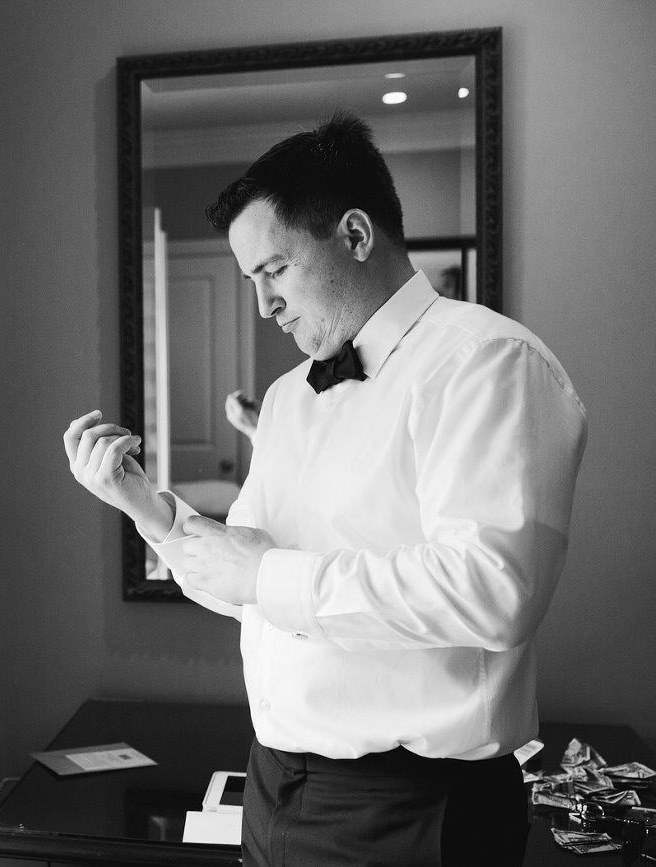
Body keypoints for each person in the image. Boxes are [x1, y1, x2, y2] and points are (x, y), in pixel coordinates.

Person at [63, 112, 586, 867]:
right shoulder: (287, 397)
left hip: (413, 811)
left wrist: (263, 573)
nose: (263, 305)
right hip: (276, 787)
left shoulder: (486, 361)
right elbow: (247, 578)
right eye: (250, 281)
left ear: (354, 234)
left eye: (273, 271)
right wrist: (147, 508)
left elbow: (493, 591)